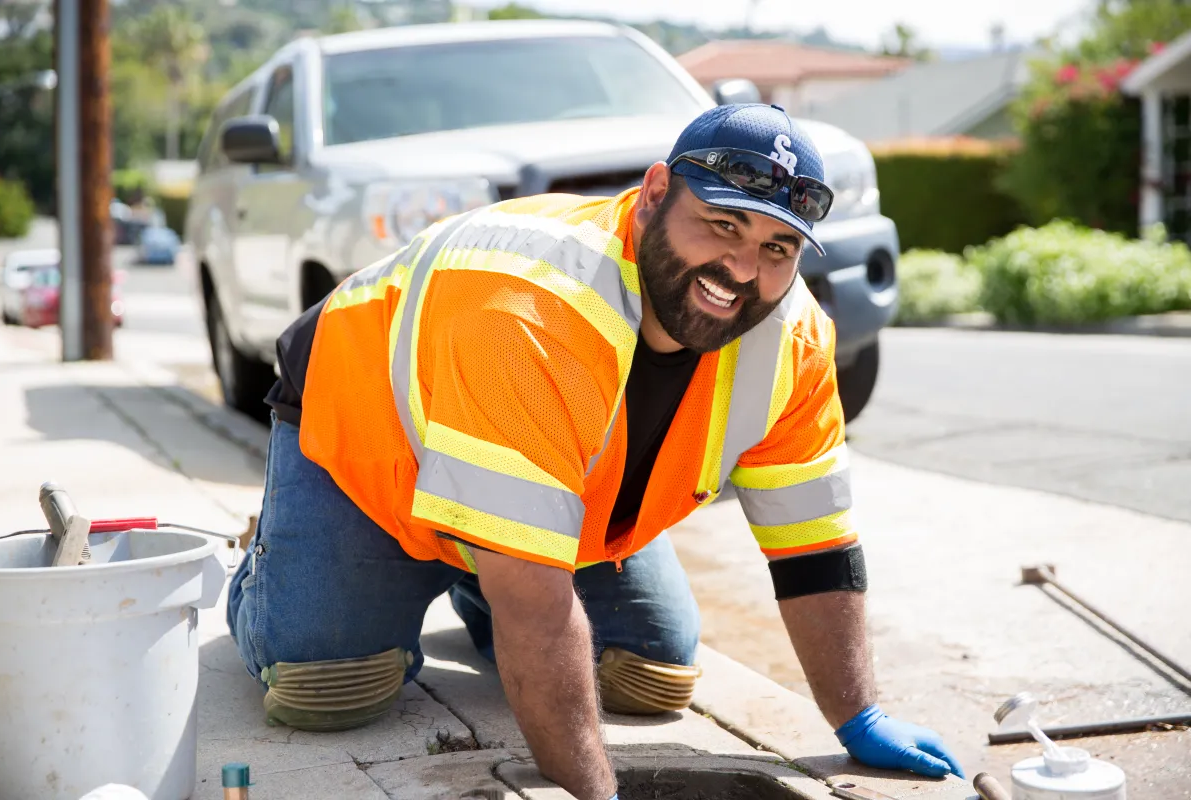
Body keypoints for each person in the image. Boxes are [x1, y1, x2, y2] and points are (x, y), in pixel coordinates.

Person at [226, 103, 964, 800]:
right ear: (653, 194)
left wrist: (856, 717)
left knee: (649, 677)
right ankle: (268, 562)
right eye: (720, 225)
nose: (742, 270)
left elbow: (815, 548)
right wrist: (595, 794)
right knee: (328, 688)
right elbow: (542, 615)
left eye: (777, 247)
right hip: (367, 445)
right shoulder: (530, 312)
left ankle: (496, 555)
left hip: (554, 489)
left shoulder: (793, 339)